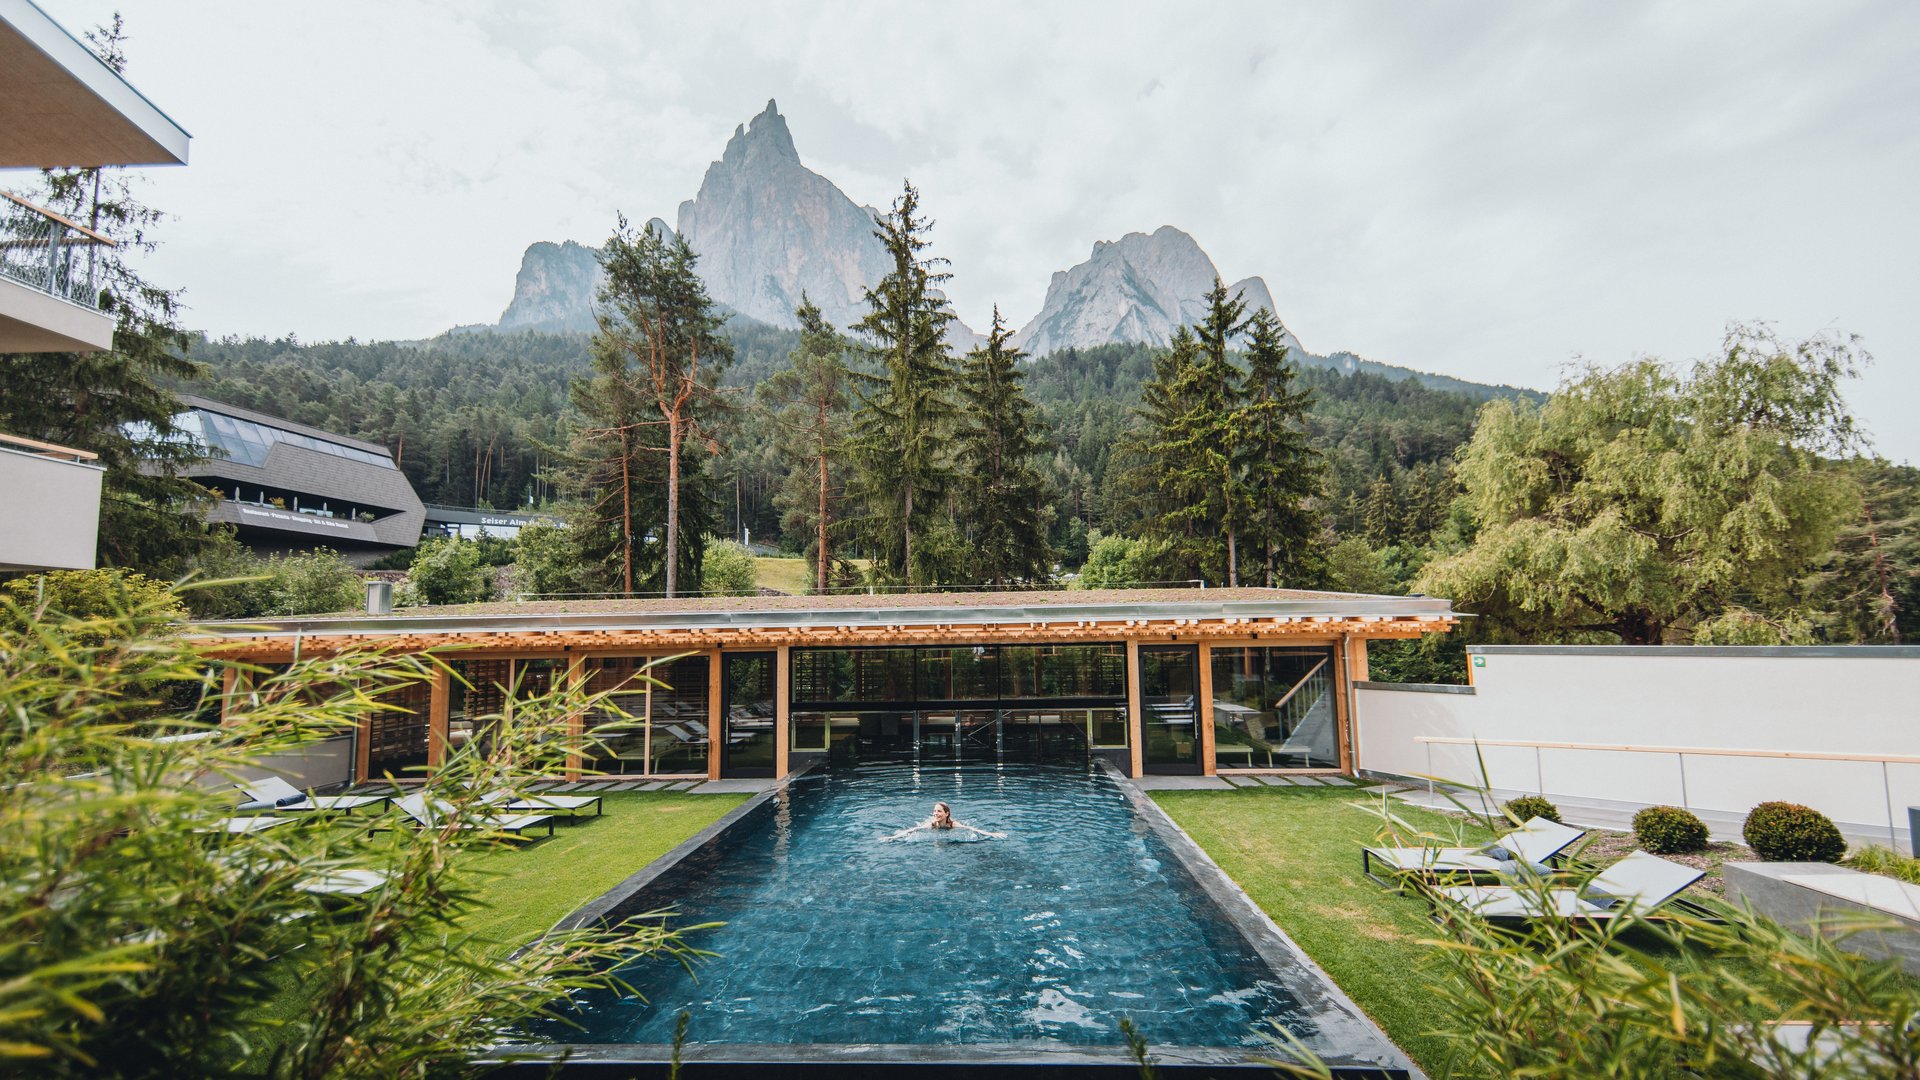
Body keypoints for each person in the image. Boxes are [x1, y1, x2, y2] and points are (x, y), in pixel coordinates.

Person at [883, 801, 1005, 841]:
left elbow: (972, 829)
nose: (936, 813)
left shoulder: (953, 824)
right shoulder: (931, 824)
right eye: (934, 811)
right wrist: (892, 838)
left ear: (947, 814)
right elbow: (912, 830)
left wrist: (992, 834)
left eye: (939, 811)